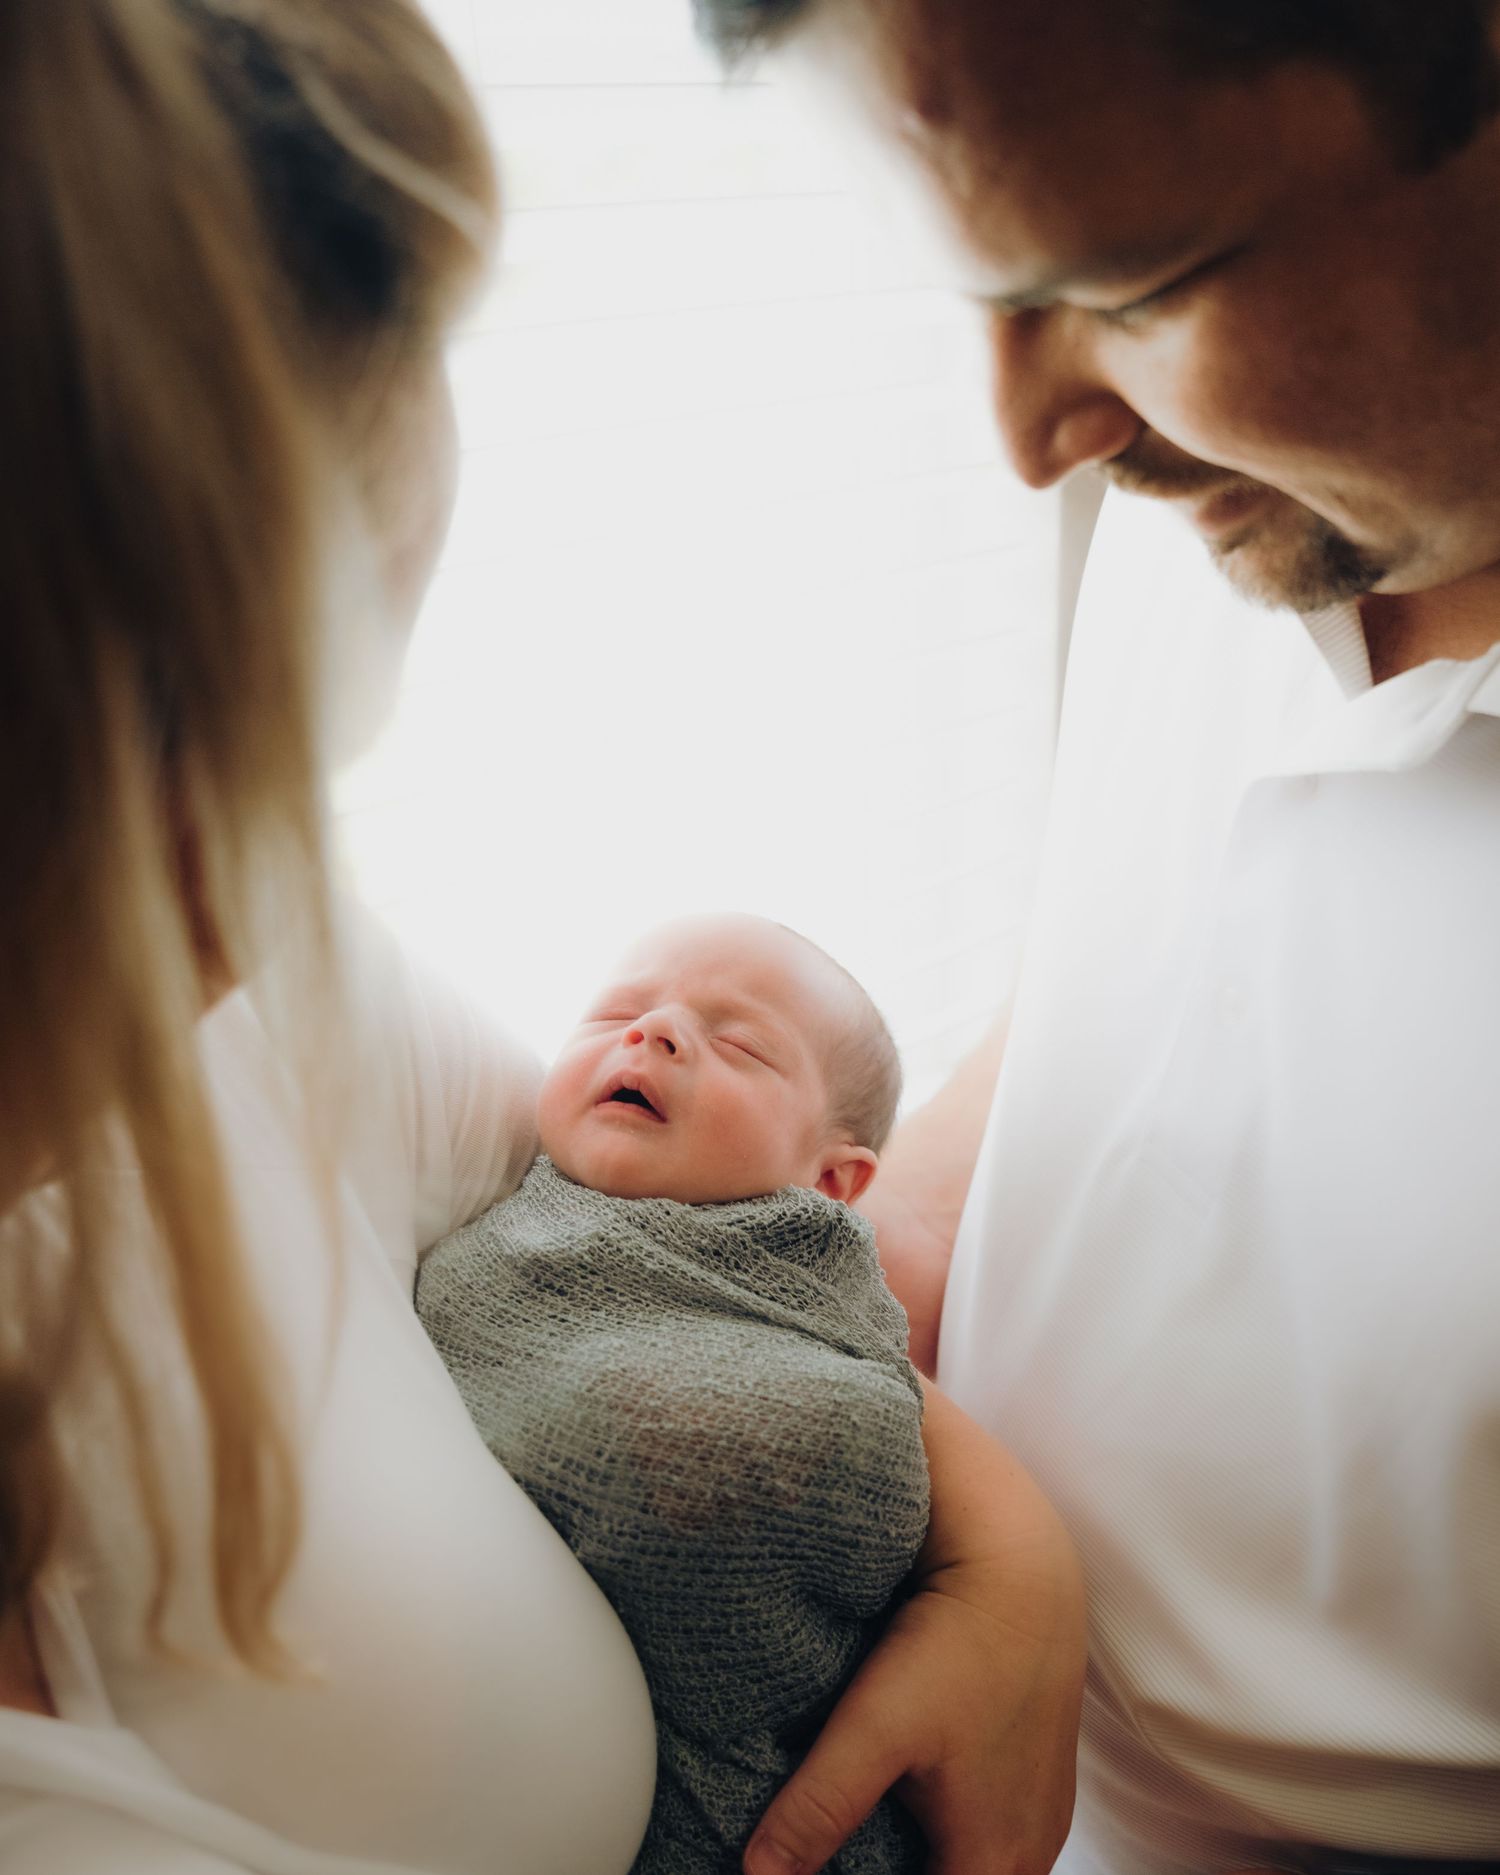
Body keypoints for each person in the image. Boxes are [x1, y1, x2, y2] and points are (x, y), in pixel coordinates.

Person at [0, 4, 1087, 1872]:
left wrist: (1009, 1550)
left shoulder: (240, 961)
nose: (246, 867)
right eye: (228, 749)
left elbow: (672, 1209)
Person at [688, 1, 1500, 1871]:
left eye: (1134, 281)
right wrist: (967, 1505)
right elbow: (1141, 990)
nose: (1035, 443)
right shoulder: (1278, 486)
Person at [418, 913, 932, 1875]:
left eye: (738, 1043)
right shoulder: (504, 1192)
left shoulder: (807, 1308)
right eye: (616, 1009)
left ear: (828, 1179)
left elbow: (862, 1460)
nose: (651, 1029)